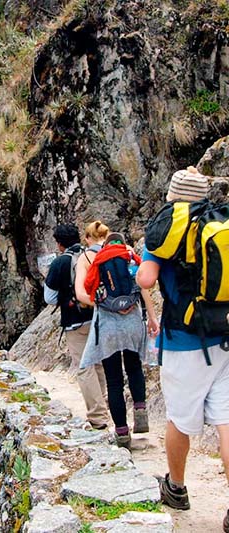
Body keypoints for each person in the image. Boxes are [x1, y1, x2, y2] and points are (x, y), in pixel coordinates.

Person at [137, 168, 229, 530]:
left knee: (179, 420)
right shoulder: (220, 223)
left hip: (183, 341)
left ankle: (176, 487)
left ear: (173, 195)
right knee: (226, 422)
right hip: (224, 335)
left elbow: (145, 278)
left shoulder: (166, 230)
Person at [75, 221, 159, 449]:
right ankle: (140, 409)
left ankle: (122, 432)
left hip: (108, 327)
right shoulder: (129, 256)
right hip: (132, 321)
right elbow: (144, 288)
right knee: (134, 368)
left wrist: (106, 304)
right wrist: (152, 317)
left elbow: (83, 292)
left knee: (114, 380)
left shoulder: (93, 259)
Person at [44, 223, 109, 430]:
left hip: (75, 321)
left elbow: (50, 298)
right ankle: (106, 405)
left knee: (84, 367)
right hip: (99, 316)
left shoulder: (60, 263)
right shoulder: (89, 255)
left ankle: (98, 417)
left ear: (59, 243)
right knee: (98, 364)